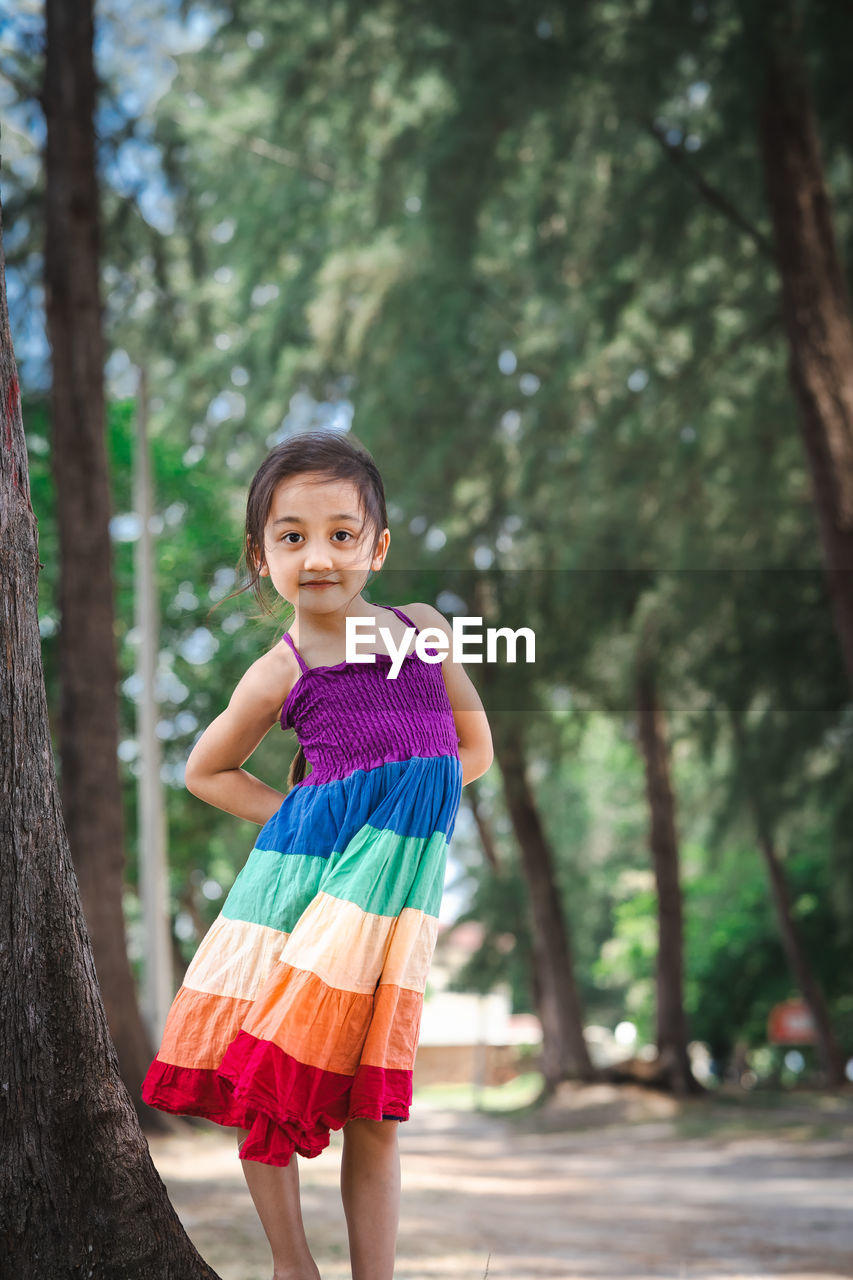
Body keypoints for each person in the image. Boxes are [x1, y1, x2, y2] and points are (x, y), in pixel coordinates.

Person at [141, 429, 494, 1280]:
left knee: (375, 1110)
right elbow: (205, 771)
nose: (318, 555)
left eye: (341, 534)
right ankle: (291, 1266)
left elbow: (472, 748)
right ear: (261, 557)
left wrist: (413, 803)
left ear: (376, 547)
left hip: (393, 907)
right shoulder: (280, 669)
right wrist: (305, 815)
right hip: (303, 894)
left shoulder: (422, 631)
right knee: (270, 1076)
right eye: (290, 536)